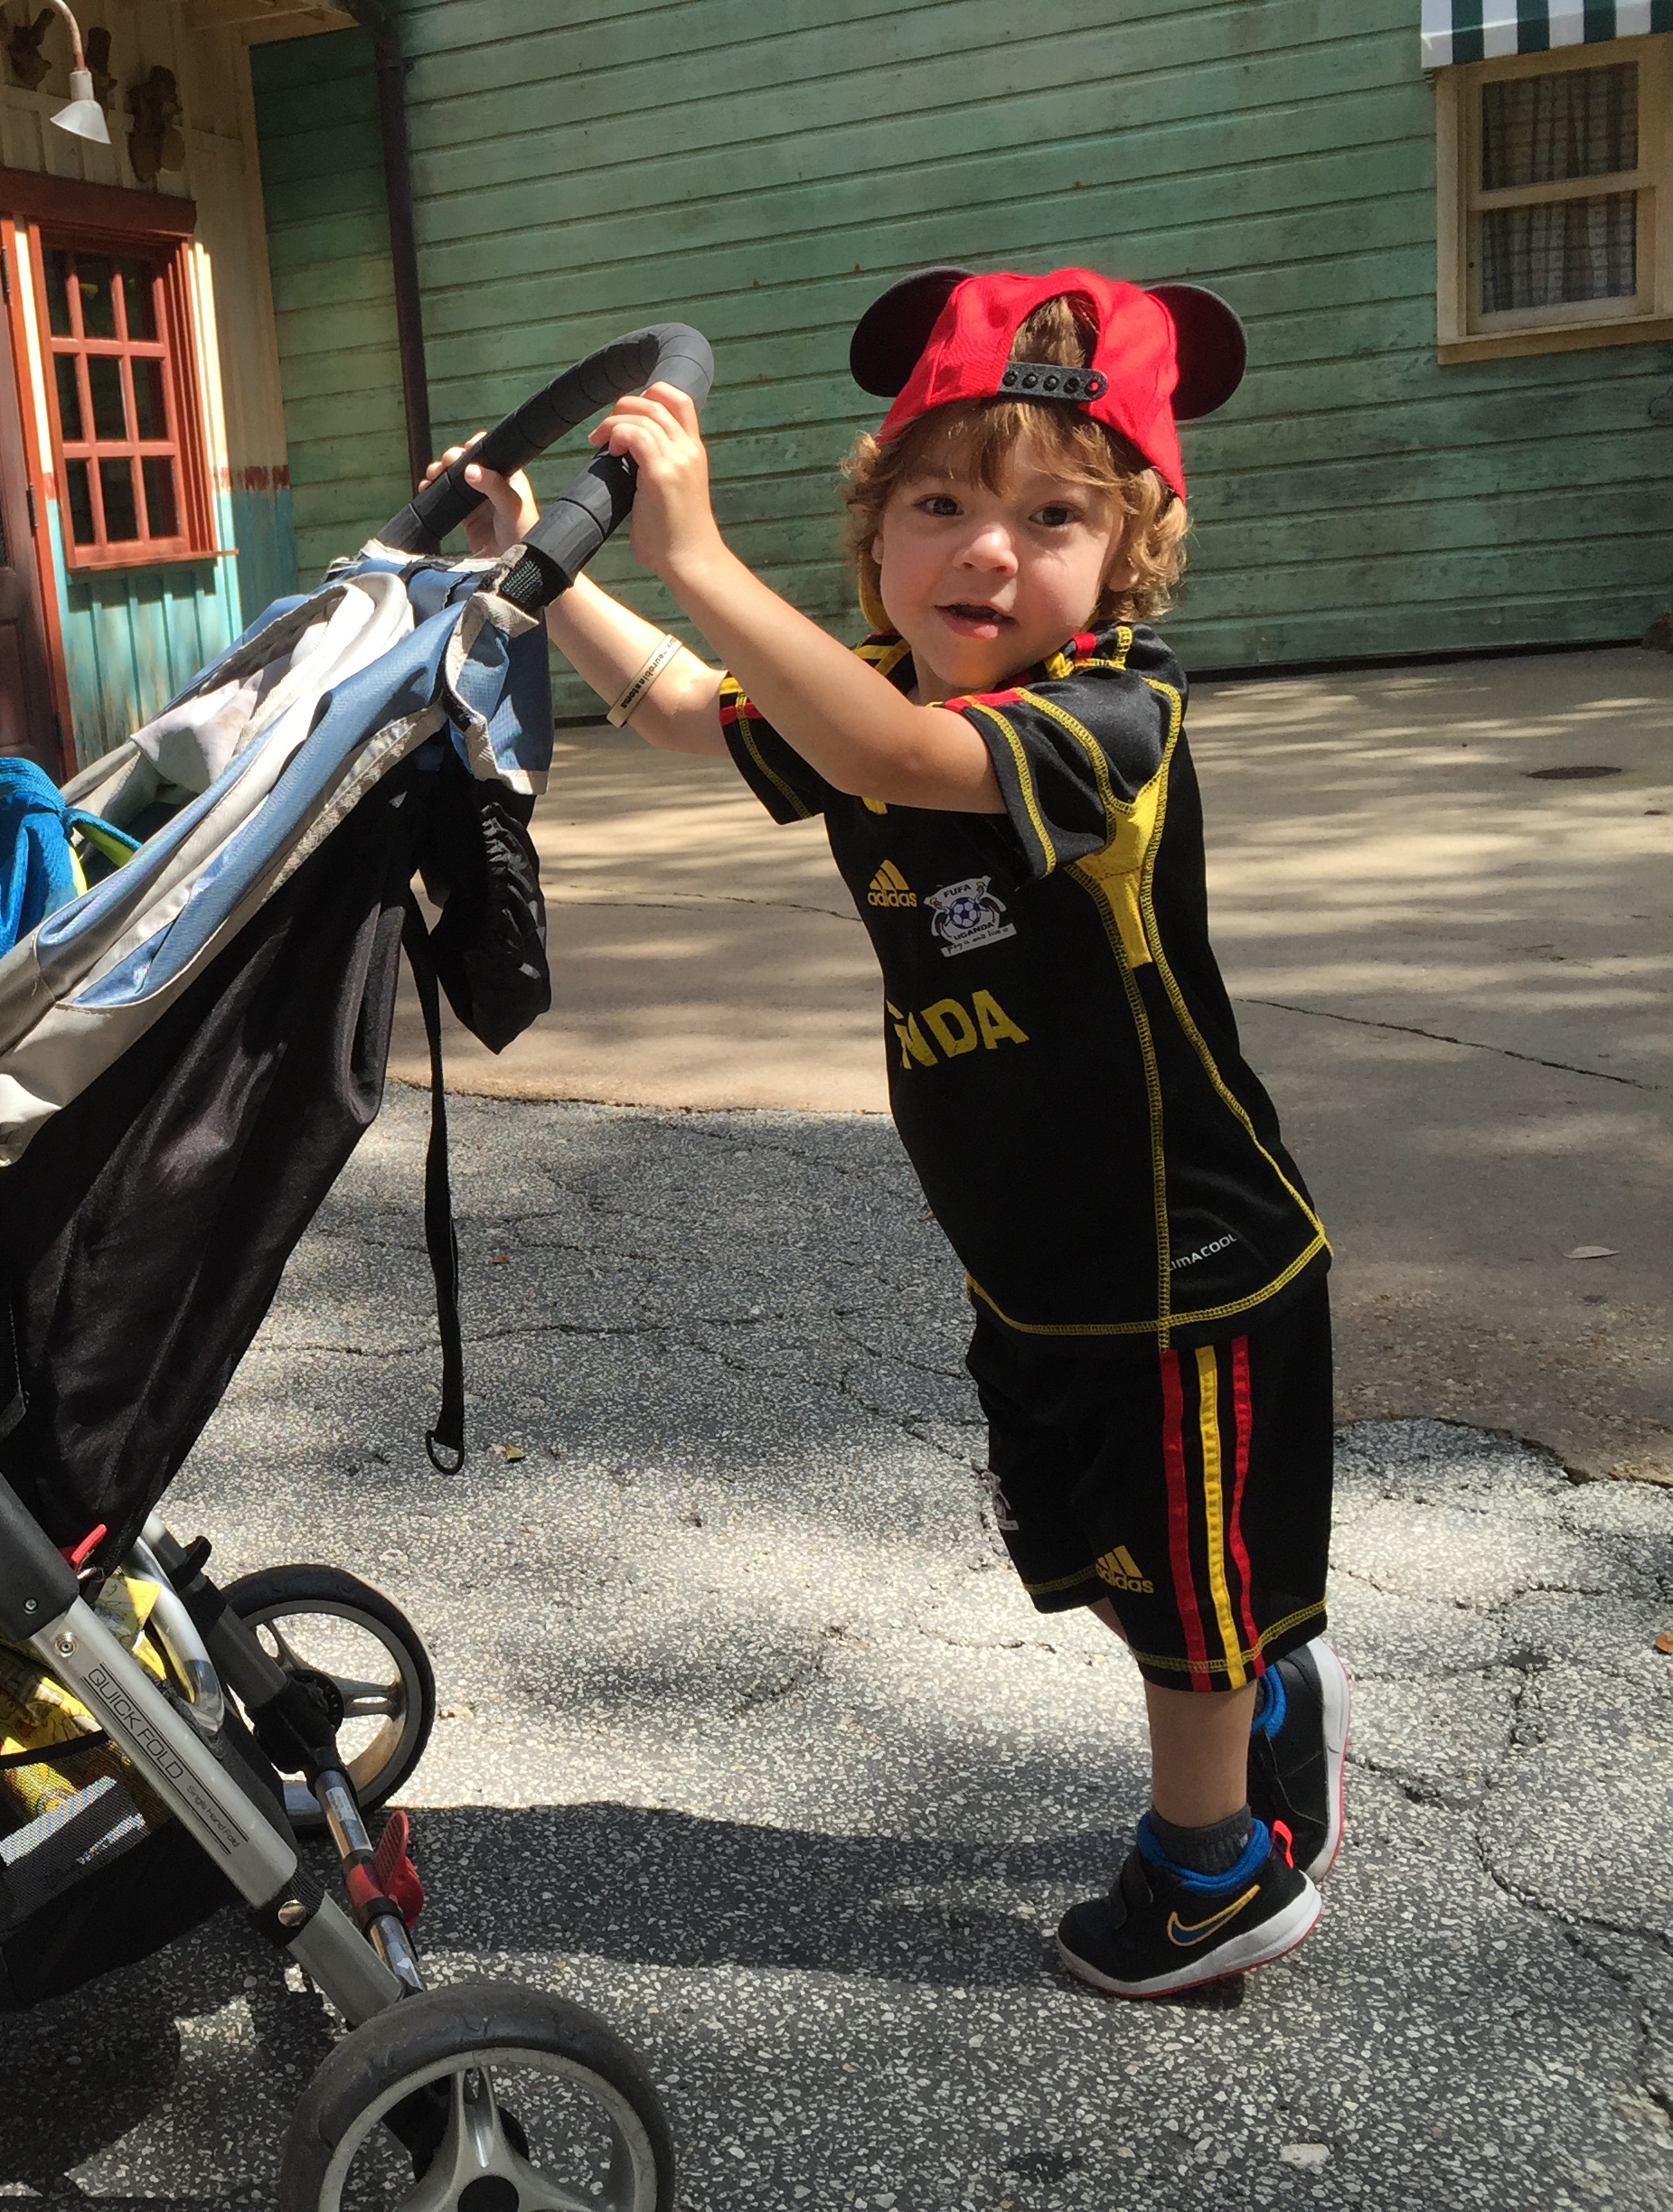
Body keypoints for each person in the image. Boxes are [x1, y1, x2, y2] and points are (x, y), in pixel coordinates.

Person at [434, 268, 1349, 1998]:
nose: (984, 551)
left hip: (1187, 1268)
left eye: (1051, 516)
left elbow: (901, 756)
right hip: (1034, 1262)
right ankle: (1266, 1684)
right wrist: (540, 570)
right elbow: (692, 710)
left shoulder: (1109, 719)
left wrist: (700, 553)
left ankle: (1215, 1875)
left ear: (1126, 562)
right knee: (1115, 1566)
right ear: (876, 539)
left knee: (1181, 1604)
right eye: (938, 505)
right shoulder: (869, 692)